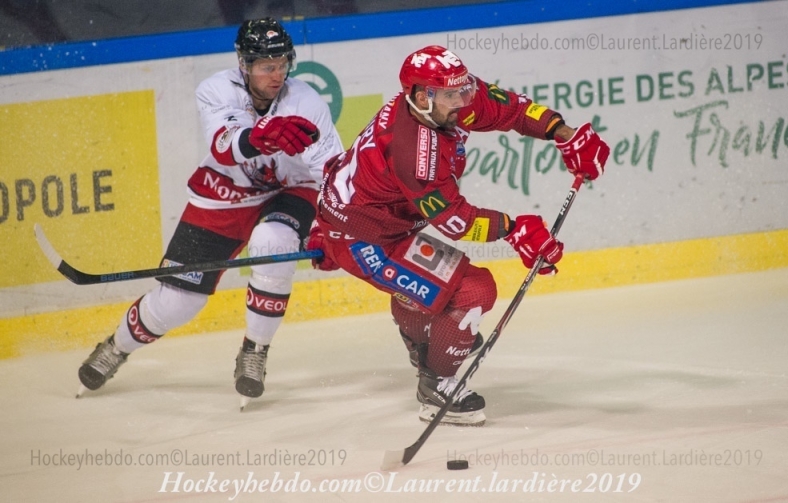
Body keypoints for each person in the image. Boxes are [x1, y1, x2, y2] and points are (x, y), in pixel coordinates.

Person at [307, 45, 609, 426]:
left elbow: (513, 109)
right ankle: (437, 385)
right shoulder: (415, 151)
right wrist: (515, 231)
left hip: (372, 218)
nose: (465, 101)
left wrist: (564, 135)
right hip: (365, 238)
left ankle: (426, 346)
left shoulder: (446, 98)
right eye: (453, 95)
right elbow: (455, 220)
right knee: (474, 292)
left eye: (463, 89)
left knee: (434, 297)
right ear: (421, 96)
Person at [76, 17, 344, 409]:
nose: (277, 74)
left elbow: (333, 172)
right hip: (226, 192)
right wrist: (259, 137)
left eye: (283, 63)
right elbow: (224, 146)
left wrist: (328, 227)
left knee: (274, 240)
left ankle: (255, 351)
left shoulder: (306, 101)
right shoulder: (216, 89)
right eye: (266, 66)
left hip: (291, 190)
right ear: (244, 64)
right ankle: (117, 346)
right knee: (178, 302)